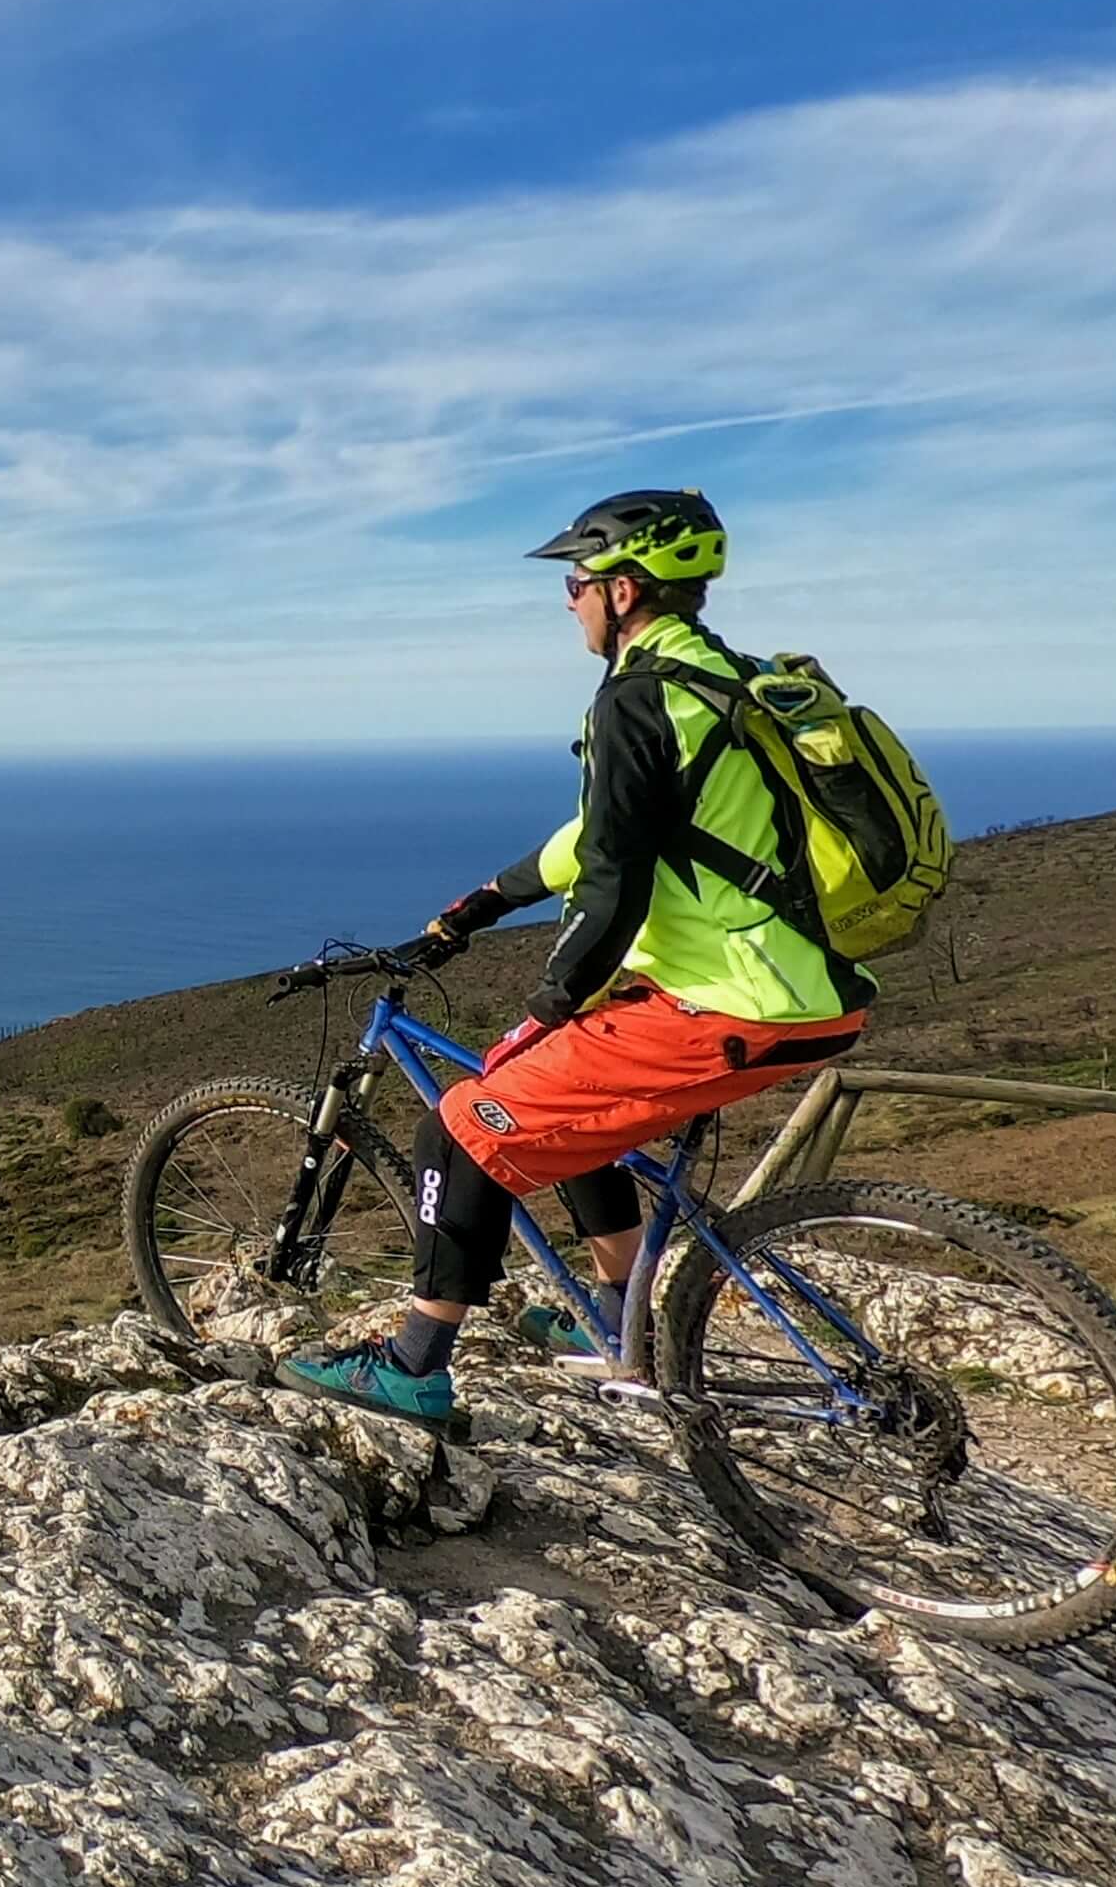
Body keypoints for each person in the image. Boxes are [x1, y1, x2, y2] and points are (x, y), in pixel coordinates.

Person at [282, 489, 869, 1426]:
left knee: (465, 1120)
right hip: (808, 989)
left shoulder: (637, 701)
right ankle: (613, 1316)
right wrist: (483, 904)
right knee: (564, 1106)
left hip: (729, 1004)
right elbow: (609, 832)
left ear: (624, 590)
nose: (570, 600)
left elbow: (612, 886)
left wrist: (557, 996)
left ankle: (413, 1368)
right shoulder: (723, 683)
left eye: (578, 581)